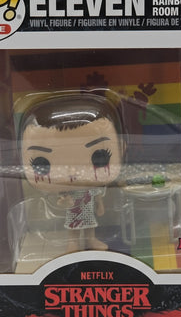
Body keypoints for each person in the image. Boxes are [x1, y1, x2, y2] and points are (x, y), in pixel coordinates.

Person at [20, 94, 123, 252]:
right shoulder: (67, 191)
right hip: (74, 210)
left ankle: (90, 240)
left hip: (88, 210)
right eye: (42, 164)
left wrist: (100, 205)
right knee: (73, 227)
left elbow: (97, 196)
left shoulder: (92, 189)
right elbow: (61, 201)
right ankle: (73, 243)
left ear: (122, 147)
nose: (73, 171)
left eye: (99, 157)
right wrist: (64, 202)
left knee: (90, 225)